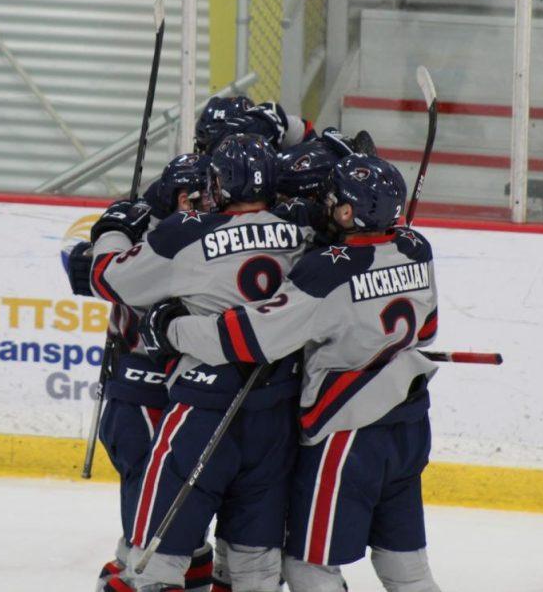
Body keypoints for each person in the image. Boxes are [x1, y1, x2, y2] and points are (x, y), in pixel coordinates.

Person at [143, 154, 443, 592]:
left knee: (308, 567)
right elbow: (428, 329)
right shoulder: (418, 247)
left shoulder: (324, 270)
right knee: (407, 567)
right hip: (410, 425)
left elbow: (251, 339)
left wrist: (172, 329)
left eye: (332, 199)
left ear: (346, 212)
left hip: (347, 431)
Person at [89, 134, 312, 592]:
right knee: (254, 570)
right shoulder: (304, 235)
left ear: (220, 184)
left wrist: (113, 227)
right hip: (275, 414)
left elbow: (109, 279)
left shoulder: (186, 232)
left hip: (202, 408)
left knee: (154, 562)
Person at [67, 153, 219, 592]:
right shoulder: (163, 238)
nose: (210, 203)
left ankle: (166, 562)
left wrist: (113, 230)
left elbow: (93, 272)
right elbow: (84, 271)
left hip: (175, 391)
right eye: (199, 196)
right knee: (149, 497)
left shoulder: (177, 236)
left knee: (175, 498)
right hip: (139, 392)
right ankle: (142, 564)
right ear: (176, 196)